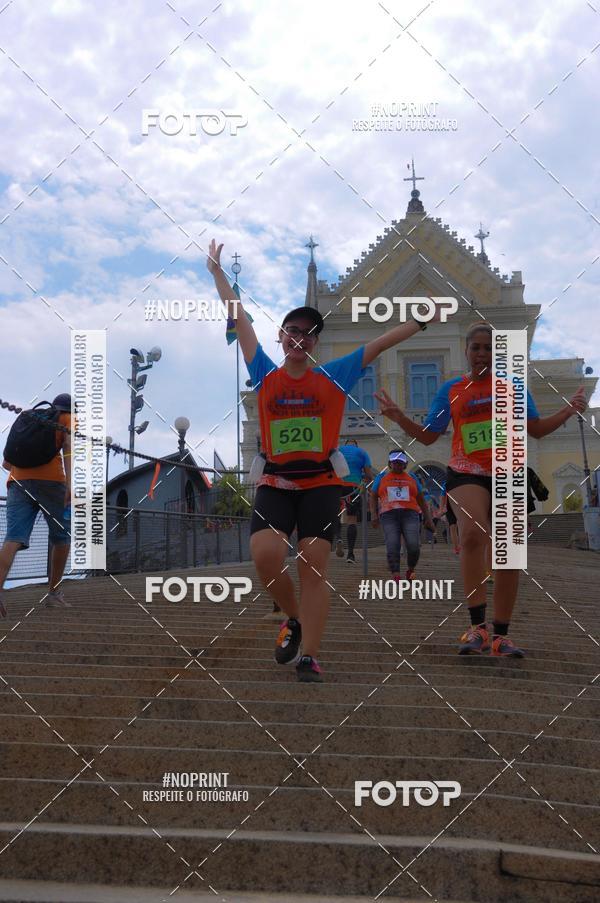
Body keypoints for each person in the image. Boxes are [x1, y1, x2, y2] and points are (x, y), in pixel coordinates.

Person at [208, 239, 444, 682]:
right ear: (281, 337)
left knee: (313, 563)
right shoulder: (264, 372)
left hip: (319, 484)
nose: (299, 337)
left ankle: (310, 656)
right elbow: (238, 316)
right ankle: (293, 618)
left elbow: (379, 344)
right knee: (265, 556)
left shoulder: (333, 375)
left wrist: (420, 321)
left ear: (315, 342)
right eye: (292, 331)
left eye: (308, 333)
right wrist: (216, 273)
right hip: (275, 483)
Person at [375, 323, 587, 657]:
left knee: (509, 551)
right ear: (466, 351)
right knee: (472, 533)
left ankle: (501, 634)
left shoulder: (513, 387)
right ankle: (477, 627)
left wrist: (568, 410)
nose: (482, 354)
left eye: (489, 348)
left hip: (508, 471)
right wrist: (400, 417)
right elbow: (429, 436)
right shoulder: (452, 389)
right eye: (476, 347)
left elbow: (536, 429)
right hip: (465, 470)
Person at [0, 393, 72, 617]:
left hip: (17, 482)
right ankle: (54, 594)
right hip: (52, 483)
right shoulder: (67, 418)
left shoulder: (29, 419)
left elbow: (6, 462)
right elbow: (68, 449)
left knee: (13, 538)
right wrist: (70, 485)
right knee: (62, 537)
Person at [369, 450, 435, 581]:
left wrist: (428, 519)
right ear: (389, 463)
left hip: (410, 514)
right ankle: (396, 574)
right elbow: (373, 495)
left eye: (400, 462)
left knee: (413, 545)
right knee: (392, 543)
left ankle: (411, 569)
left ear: (405, 464)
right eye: (394, 462)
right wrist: (374, 515)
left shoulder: (412, 477)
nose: (397, 465)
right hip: (388, 515)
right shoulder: (381, 477)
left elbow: (421, 500)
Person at [333, 439, 375, 563]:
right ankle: (350, 554)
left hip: (337, 486)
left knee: (336, 515)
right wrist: (369, 488)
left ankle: (339, 538)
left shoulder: (338, 451)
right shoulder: (362, 452)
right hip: (354, 487)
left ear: (345, 444)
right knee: (352, 520)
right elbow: (369, 475)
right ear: (356, 445)